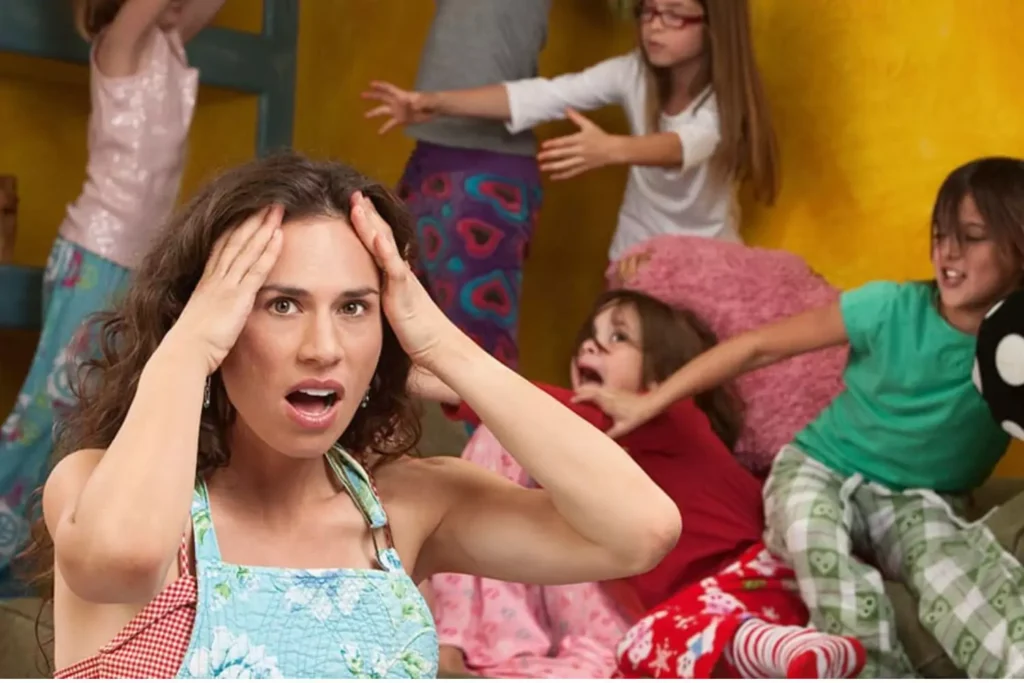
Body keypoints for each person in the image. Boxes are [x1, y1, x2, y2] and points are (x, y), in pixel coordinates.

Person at [27, 152, 680, 678]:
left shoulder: (409, 505)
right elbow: (124, 558)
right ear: (215, 318)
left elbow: (639, 529)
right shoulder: (95, 487)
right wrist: (187, 348)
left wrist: (446, 347)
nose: (323, 348)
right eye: (281, 304)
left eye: (354, 307)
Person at [575, 157, 1024, 678]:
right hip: (819, 467)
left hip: (919, 499)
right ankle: (871, 670)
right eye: (941, 233)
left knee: (955, 570)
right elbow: (757, 347)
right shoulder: (890, 307)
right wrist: (651, 401)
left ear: (1017, 247)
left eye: (970, 236)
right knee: (813, 534)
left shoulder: (1014, 351)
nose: (947, 252)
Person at [415, 290, 865, 678]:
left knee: (663, 638)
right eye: (589, 336)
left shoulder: (674, 418)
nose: (592, 343)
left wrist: (454, 384)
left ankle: (788, 647)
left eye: (619, 337)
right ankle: (787, 654)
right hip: (689, 620)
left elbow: (547, 412)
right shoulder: (605, 467)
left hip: (749, 583)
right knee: (640, 649)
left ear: (660, 377)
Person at [0, 0, 221, 595]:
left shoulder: (167, 42)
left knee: (91, 417)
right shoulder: (117, 42)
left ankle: (29, 565)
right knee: (46, 417)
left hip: (137, 262)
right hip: (95, 256)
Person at [363, 0, 779, 265]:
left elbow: (685, 145)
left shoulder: (724, 102)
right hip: (634, 258)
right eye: (648, 12)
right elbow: (542, 95)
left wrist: (611, 149)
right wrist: (433, 103)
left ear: (713, 24)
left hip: (707, 260)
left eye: (673, 15)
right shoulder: (632, 71)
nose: (655, 26)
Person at [374, 0, 550, 372]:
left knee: (477, 348)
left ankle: (492, 433)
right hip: (430, 159)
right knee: (398, 331)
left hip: (484, 174)